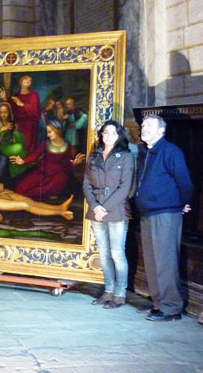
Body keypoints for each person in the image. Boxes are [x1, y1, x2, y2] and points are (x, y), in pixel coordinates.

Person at [135, 114, 193, 322]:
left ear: (162, 131)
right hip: (148, 214)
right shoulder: (147, 153)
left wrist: (183, 203)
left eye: (149, 125)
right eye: (143, 125)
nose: (144, 128)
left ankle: (171, 308)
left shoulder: (170, 151)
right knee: (152, 261)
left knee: (165, 261)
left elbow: (185, 182)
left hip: (166, 214)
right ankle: (159, 303)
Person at [83, 120, 134, 309]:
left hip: (116, 210)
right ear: (101, 135)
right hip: (96, 210)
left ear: (119, 135)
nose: (109, 136)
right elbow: (86, 183)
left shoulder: (126, 156)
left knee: (117, 253)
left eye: (113, 133)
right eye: (105, 132)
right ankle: (108, 291)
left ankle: (120, 295)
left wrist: (104, 208)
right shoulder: (94, 155)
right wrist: (95, 206)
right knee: (103, 254)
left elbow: (125, 187)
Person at [12, 119, 85, 199]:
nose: (47, 135)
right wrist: (23, 161)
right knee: (21, 188)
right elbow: (35, 155)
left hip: (57, 176)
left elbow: (67, 162)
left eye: (50, 132)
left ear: (57, 131)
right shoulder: (46, 144)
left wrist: (74, 163)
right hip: (42, 173)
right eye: (47, 132)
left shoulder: (67, 145)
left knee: (49, 189)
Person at [0, 75, 40, 152]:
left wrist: (22, 104)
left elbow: (35, 111)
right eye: (26, 79)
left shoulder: (34, 95)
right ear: (20, 82)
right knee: (17, 143)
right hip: (18, 124)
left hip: (29, 125)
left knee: (27, 145)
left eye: (30, 80)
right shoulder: (16, 96)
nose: (28, 81)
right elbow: (10, 108)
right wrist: (4, 98)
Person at [0, 102, 30, 179]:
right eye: (1, 112)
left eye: (5, 112)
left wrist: (15, 131)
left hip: (12, 145)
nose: (3, 115)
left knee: (22, 148)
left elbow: (20, 140)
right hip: (1, 147)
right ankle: (18, 172)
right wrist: (1, 130)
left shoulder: (13, 124)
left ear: (9, 112)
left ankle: (17, 173)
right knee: (19, 148)